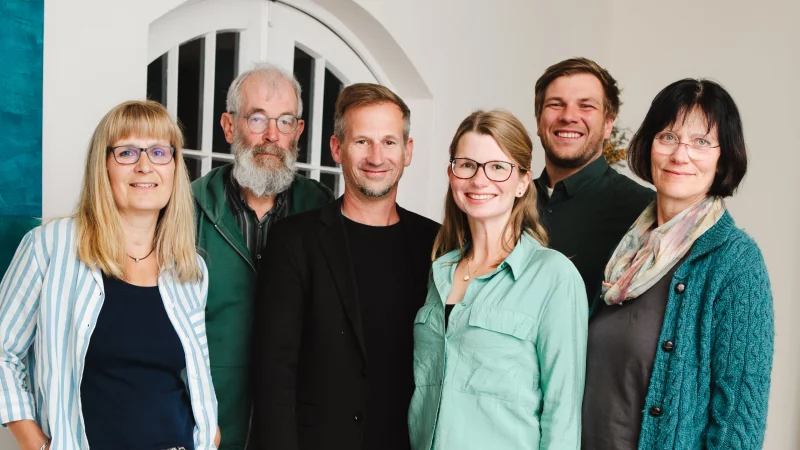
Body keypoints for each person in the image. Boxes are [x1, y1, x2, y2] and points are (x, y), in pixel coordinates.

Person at [0, 100, 219, 449]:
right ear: (103, 165)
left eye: (160, 152)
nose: (145, 166)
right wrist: (36, 444)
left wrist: (209, 435)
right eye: (128, 152)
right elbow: (3, 353)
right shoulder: (50, 247)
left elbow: (197, 373)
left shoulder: (189, 269)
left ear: (176, 167)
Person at [582, 79, 774, 449]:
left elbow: (738, 426)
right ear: (649, 146)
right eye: (668, 136)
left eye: (701, 142)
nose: (680, 154)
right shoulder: (627, 254)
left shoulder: (735, 262)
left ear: (723, 158)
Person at [252, 83, 439, 450]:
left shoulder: (436, 244)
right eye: (361, 142)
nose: (376, 156)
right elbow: (274, 375)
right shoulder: (294, 241)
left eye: (389, 142)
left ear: (407, 151)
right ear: (337, 148)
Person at [409, 110, 588, 450]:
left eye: (497, 167)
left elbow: (563, 414)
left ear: (523, 181)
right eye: (467, 165)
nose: (479, 180)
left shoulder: (553, 276)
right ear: (452, 174)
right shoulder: (439, 273)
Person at [192, 63, 333, 448]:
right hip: (206, 428)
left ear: (298, 131)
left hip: (293, 429)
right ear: (228, 126)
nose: (271, 135)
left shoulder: (322, 211)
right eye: (257, 119)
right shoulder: (185, 209)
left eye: (285, 121)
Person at [534, 57, 655, 303]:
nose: (568, 116)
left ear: (608, 124)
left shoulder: (644, 211)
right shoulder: (507, 201)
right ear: (538, 121)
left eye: (586, 106)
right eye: (556, 104)